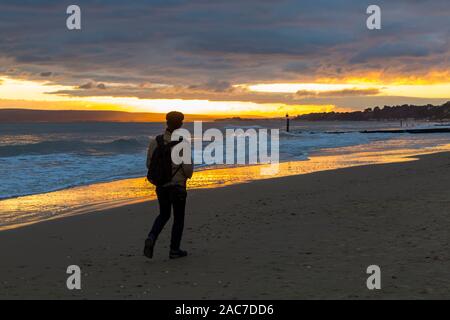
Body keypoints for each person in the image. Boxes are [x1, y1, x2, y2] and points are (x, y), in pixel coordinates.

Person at [144, 111, 193, 260]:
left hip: (161, 186)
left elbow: (148, 164)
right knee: (178, 218)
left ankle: (152, 236)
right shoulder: (182, 143)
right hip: (177, 186)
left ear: (166, 122)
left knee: (164, 214)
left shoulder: (155, 141)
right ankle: (174, 250)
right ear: (180, 124)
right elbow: (188, 170)